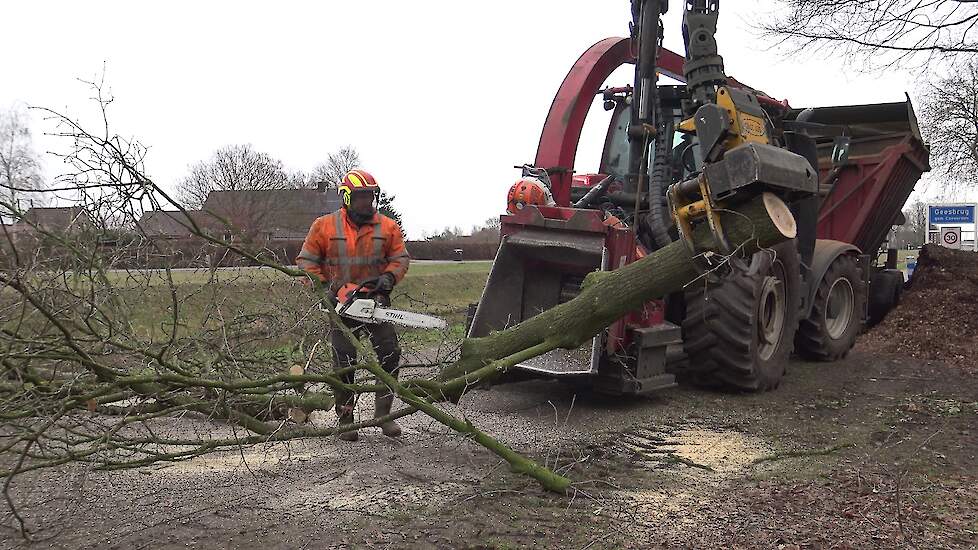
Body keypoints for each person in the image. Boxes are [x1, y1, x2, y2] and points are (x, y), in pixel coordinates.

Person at [296, 169, 409, 441]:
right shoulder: (324, 226)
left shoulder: (387, 226)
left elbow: (400, 258)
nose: (366, 202)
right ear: (347, 198)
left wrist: (388, 278)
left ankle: (384, 416)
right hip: (341, 305)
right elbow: (306, 262)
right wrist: (326, 289)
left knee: (390, 355)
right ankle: (346, 418)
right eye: (360, 197)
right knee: (344, 362)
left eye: (369, 197)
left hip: (376, 302)